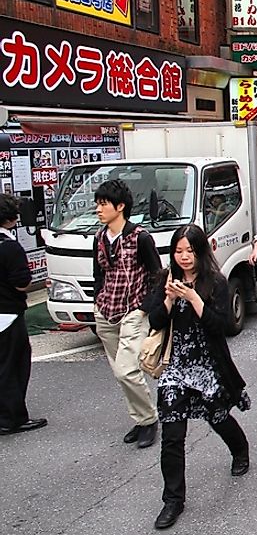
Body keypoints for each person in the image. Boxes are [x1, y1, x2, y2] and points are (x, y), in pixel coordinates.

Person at [145, 225, 251, 529]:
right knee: (172, 435)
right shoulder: (166, 278)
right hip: (176, 368)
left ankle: (239, 449)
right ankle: (173, 501)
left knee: (218, 417)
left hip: (207, 365)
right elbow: (154, 320)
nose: (184, 257)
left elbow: (220, 325)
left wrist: (193, 297)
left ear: (200, 251)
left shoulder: (215, 282)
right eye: (178, 251)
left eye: (189, 251)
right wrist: (167, 299)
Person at [92, 180, 161, 449]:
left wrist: (145, 307)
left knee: (127, 371)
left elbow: (157, 275)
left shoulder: (140, 237)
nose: (98, 209)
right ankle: (141, 418)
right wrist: (98, 300)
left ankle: (149, 419)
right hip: (105, 311)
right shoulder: (100, 237)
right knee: (119, 371)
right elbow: (98, 273)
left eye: (103, 204)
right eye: (97, 204)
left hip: (133, 310)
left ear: (120, 207)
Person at [0, 194, 46, 436]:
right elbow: (21, 284)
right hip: (7, 313)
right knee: (14, 366)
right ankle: (12, 418)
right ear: (11, 218)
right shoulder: (10, 247)